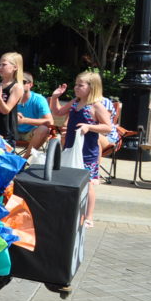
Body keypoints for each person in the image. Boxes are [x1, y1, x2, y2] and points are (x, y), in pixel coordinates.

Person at [50, 72, 113, 228]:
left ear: (92, 87)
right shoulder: (75, 102)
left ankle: (89, 216)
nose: (76, 88)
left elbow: (107, 127)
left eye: (80, 85)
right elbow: (57, 112)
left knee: (89, 183)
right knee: (69, 178)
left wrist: (89, 126)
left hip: (87, 151)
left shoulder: (96, 106)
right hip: (71, 147)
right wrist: (54, 98)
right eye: (76, 84)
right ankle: (70, 211)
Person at [0, 52, 25, 147]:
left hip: (6, 133)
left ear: (15, 67)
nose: (0, 67)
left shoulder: (17, 87)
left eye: (4, 64)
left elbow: (6, 110)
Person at [15, 71, 53, 155]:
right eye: (17, 82)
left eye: (23, 82)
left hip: (30, 133)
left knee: (44, 129)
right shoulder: (11, 97)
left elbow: (50, 121)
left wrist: (25, 120)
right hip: (12, 131)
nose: (19, 85)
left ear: (30, 84)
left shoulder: (38, 99)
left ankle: (23, 161)